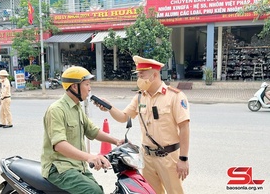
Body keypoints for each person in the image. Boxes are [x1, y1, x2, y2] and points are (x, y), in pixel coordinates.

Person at [96, 56, 190, 194]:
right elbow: (123, 117)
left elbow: (184, 128)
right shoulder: (140, 97)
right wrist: (109, 107)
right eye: (138, 74)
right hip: (147, 158)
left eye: (142, 75)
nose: (139, 78)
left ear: (154, 75)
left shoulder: (175, 96)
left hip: (169, 158)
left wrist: (183, 158)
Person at [41, 66, 123, 194]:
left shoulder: (77, 107)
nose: (90, 88)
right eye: (87, 84)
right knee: (94, 191)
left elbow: (92, 130)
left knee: (99, 191)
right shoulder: (56, 110)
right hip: (59, 168)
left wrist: (116, 142)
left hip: (77, 166)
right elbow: (59, 145)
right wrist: (89, 157)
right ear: (75, 87)